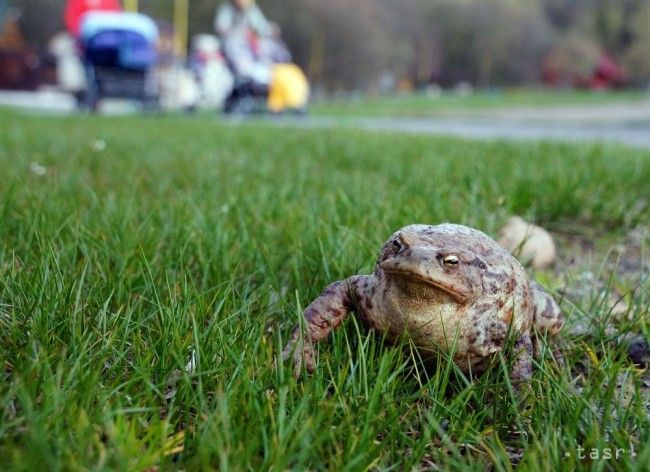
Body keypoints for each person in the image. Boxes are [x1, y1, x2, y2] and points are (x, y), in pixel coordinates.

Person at [214, 0, 277, 85]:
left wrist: (270, 30)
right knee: (233, 46)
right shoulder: (227, 9)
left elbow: (262, 27)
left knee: (268, 46)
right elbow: (221, 27)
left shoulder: (251, 9)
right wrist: (236, 32)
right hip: (233, 46)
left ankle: (265, 74)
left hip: (248, 47)